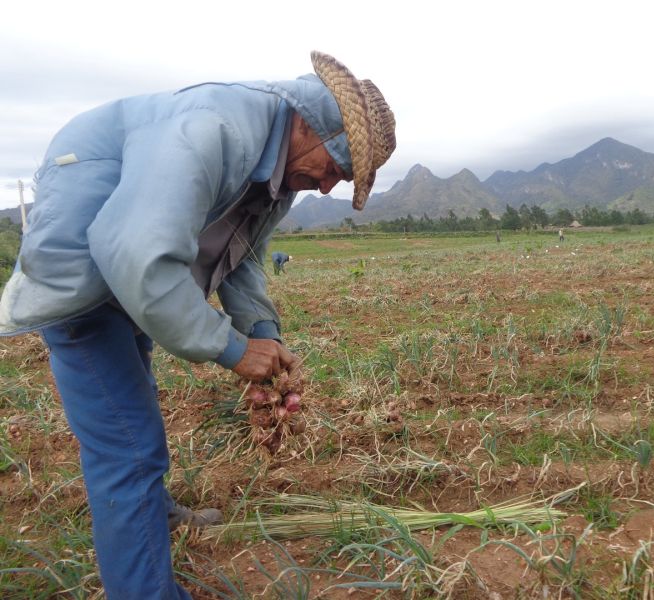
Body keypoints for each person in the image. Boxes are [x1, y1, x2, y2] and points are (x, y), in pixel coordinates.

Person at [0, 51, 395, 599]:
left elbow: (244, 256)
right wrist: (231, 349)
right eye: (337, 167)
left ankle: (150, 517)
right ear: (311, 125)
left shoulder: (275, 171)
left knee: (131, 413)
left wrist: (263, 332)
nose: (329, 187)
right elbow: (134, 252)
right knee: (128, 447)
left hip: (127, 289)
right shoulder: (214, 129)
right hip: (85, 288)